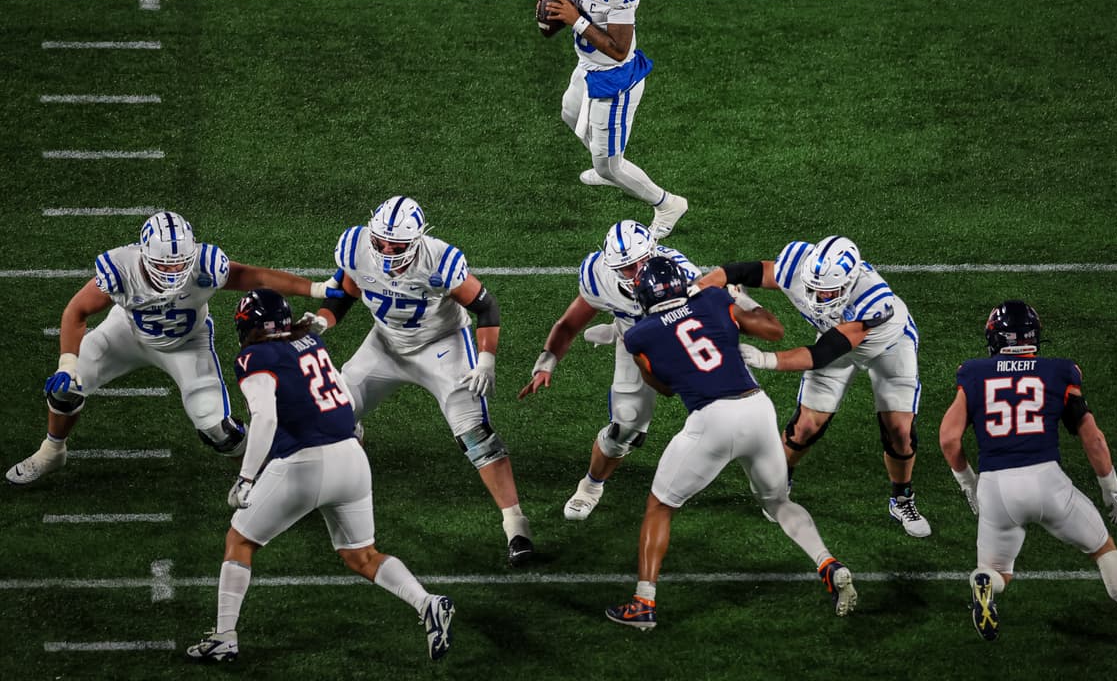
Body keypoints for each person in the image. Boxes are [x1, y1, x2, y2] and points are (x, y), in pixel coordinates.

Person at [186, 289, 454, 663]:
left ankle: (224, 636)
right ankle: (426, 602)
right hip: (351, 458)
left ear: (246, 325)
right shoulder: (309, 341)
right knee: (362, 555)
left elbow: (265, 417)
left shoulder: (253, 356)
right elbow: (342, 392)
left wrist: (246, 477)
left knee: (240, 540)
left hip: (303, 463)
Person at [604, 257, 857, 630]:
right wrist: (741, 300)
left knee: (660, 505)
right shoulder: (709, 300)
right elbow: (774, 330)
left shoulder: (640, 335)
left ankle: (643, 603)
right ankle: (827, 562)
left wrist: (630, 348)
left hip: (712, 420)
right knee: (778, 502)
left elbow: (666, 389)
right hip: (756, 408)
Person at [6, 211, 344, 486]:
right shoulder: (121, 267)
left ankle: (267, 473)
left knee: (218, 431)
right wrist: (68, 364)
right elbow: (76, 312)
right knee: (67, 388)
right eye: (165, 264)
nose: (173, 271)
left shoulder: (206, 264)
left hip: (188, 343)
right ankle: (52, 451)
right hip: (125, 333)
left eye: (180, 263)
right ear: (144, 253)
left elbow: (256, 277)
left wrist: (315, 289)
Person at [938, 300, 1117, 651]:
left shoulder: (974, 372)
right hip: (1046, 481)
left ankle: (985, 583)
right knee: (1102, 548)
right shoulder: (1058, 371)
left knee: (998, 570)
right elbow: (1093, 438)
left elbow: (948, 437)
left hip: (996, 487)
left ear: (994, 339)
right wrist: (1109, 485)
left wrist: (969, 484)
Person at [312, 195, 534, 566]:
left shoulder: (439, 260)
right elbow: (344, 295)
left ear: (415, 243)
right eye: (379, 242)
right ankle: (348, 472)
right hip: (385, 342)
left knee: (476, 435)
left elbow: (486, 306)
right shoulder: (355, 246)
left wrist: (486, 361)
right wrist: (322, 320)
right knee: (333, 412)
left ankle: (516, 526)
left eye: (394, 246)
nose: (384, 251)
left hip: (442, 345)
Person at [520, 220, 771, 520]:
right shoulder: (597, 276)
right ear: (612, 268)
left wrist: (739, 300)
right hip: (637, 344)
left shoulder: (680, 271)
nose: (639, 272)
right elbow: (569, 323)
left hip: (685, 342)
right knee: (625, 427)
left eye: (643, 262)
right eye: (628, 268)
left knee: (742, 415)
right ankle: (590, 487)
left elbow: (717, 314)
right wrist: (546, 364)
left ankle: (771, 494)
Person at [699, 235, 930, 537]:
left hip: (888, 346)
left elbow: (823, 354)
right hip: (836, 339)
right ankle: (778, 488)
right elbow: (749, 271)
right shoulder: (798, 264)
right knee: (805, 426)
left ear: (848, 283)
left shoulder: (874, 301)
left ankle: (902, 499)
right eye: (813, 288)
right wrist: (703, 286)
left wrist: (767, 359)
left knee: (899, 432)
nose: (817, 297)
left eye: (827, 291)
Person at [539, 0, 688, 239]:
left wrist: (572, 18)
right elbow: (570, 0)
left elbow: (619, 49)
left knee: (610, 164)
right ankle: (604, 161)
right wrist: (555, 3)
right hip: (588, 65)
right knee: (569, 112)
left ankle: (666, 203)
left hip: (614, 76)